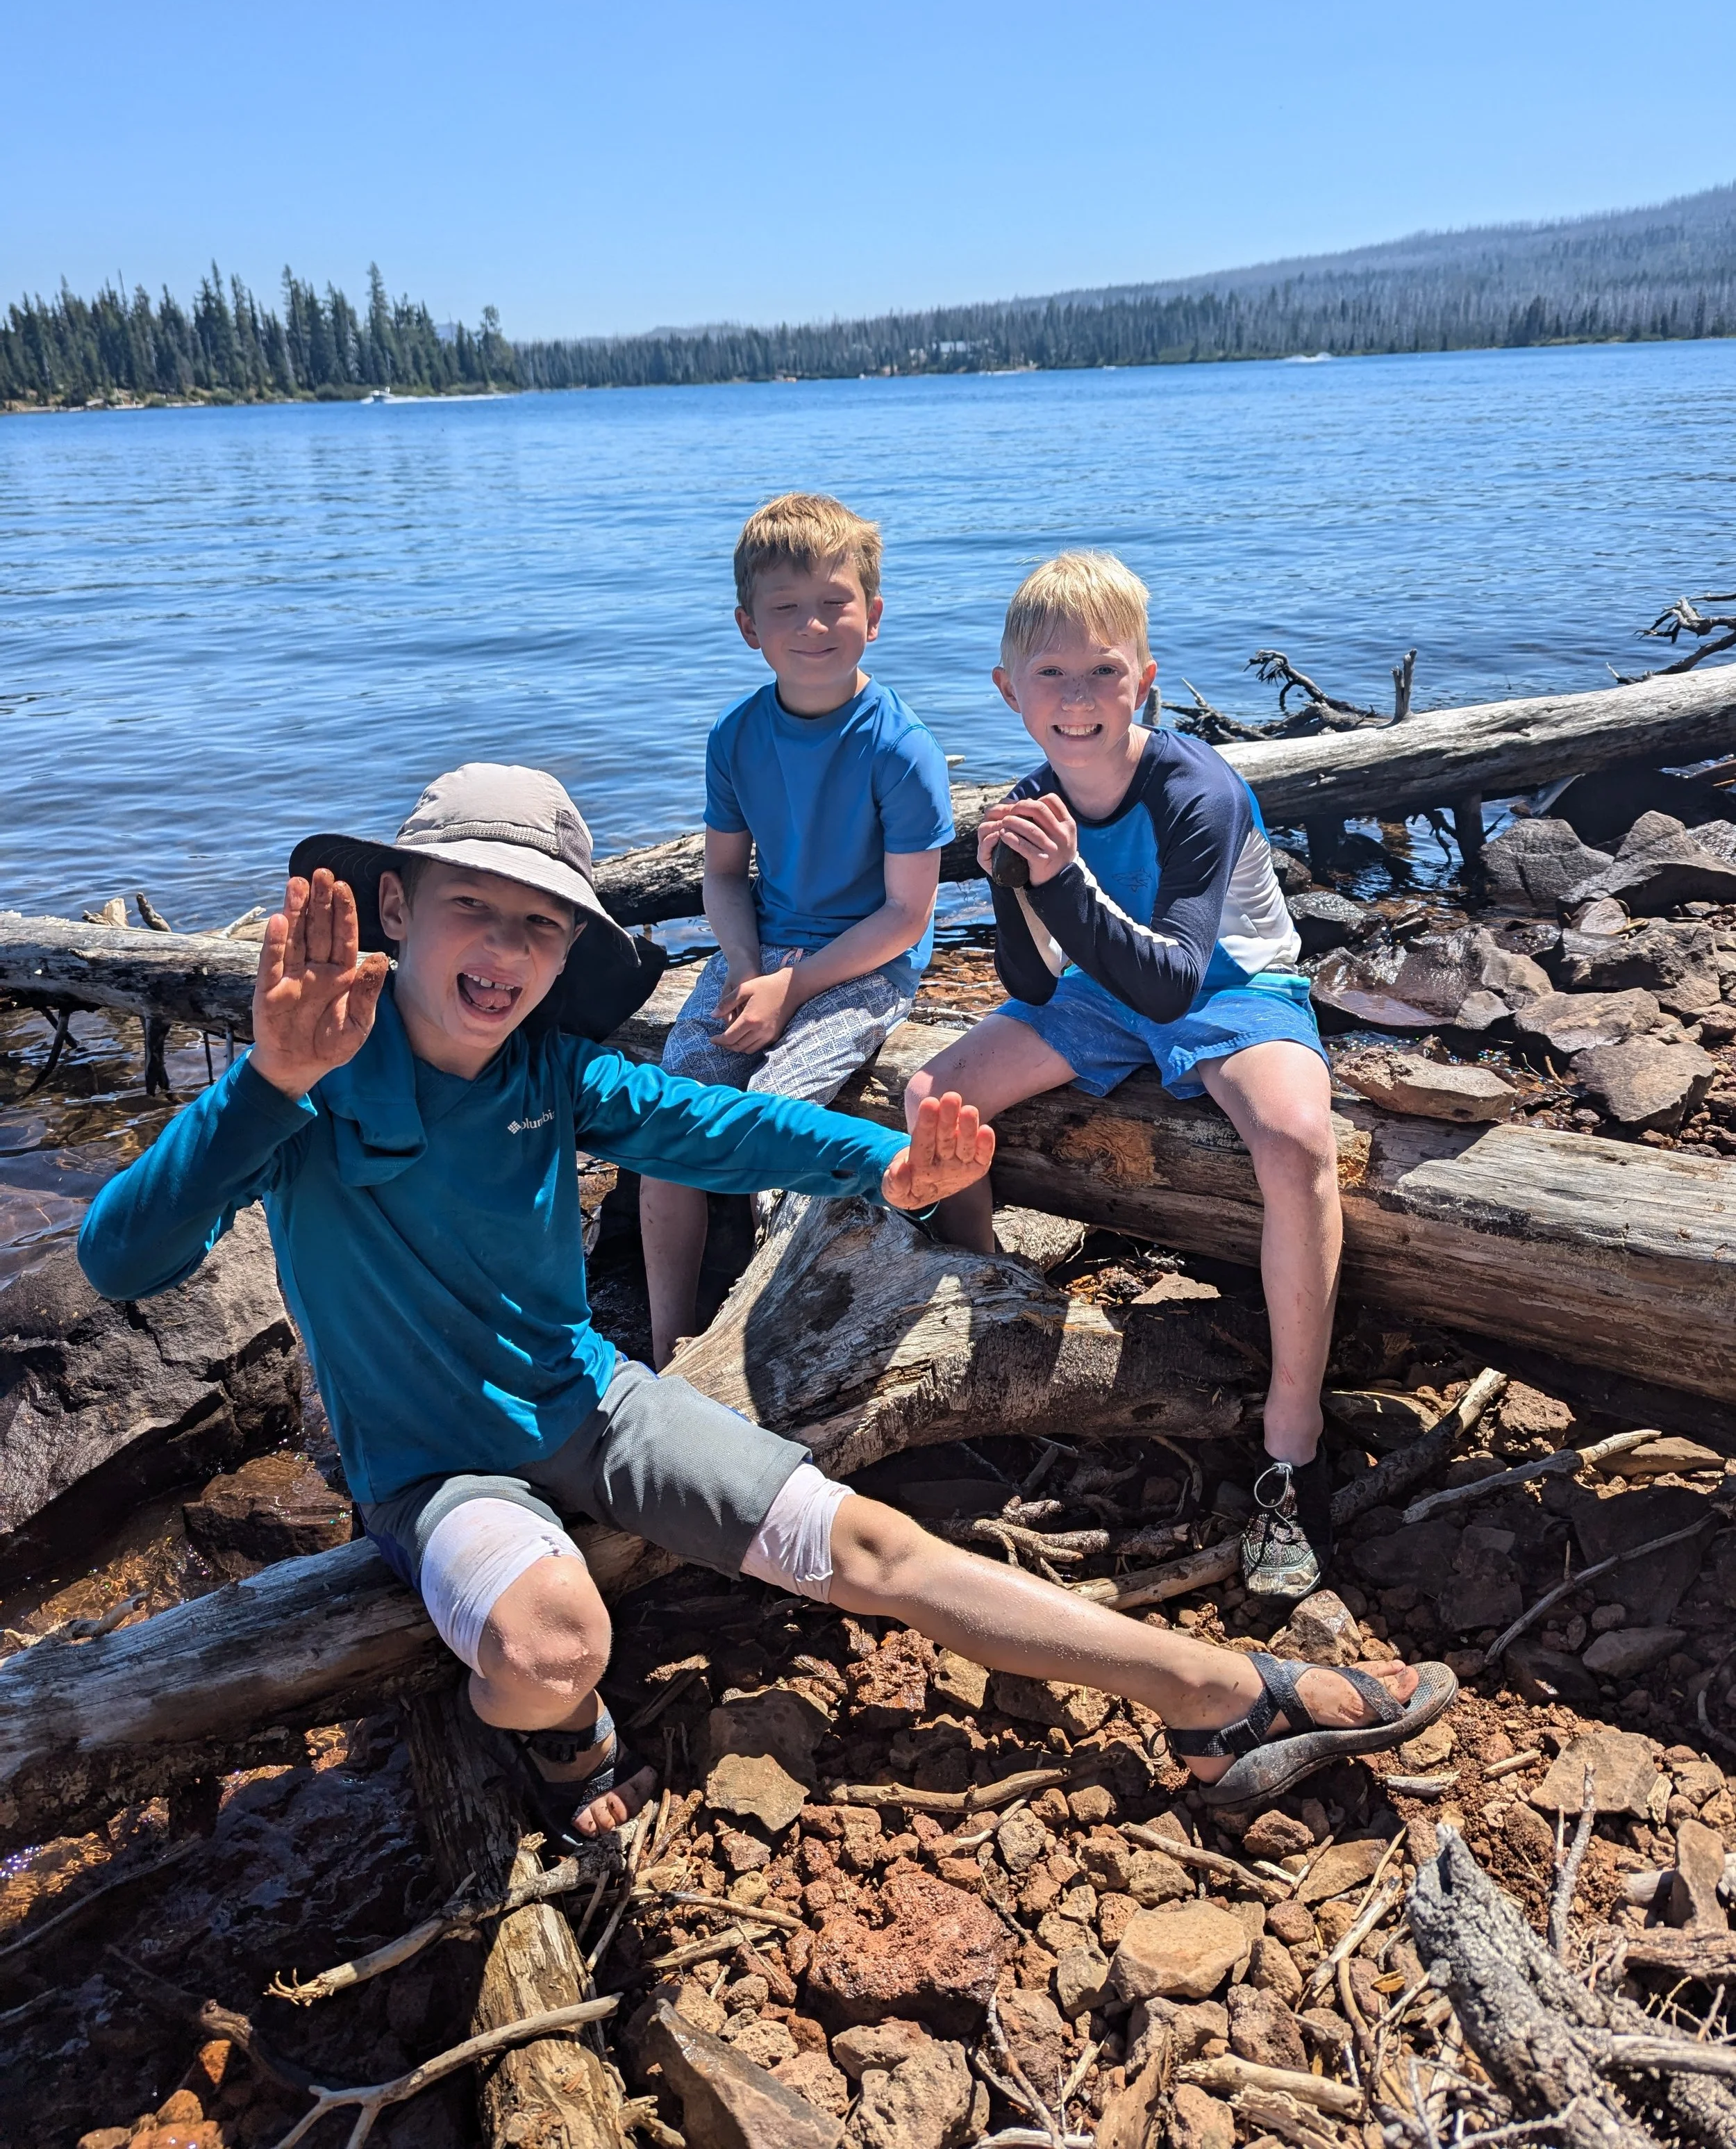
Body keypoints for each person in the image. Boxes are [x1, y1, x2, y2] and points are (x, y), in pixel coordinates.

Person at [78, 763, 1451, 1850]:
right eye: (471, 908)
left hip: (589, 1407)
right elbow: (120, 1259)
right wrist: (262, 1081)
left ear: (564, 958)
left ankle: (1213, 1698)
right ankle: (547, 1736)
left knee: (876, 1549)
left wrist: (891, 1163)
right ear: (395, 910)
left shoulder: (549, 1074)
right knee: (555, 1647)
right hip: (428, 1469)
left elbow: (718, 1130)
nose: (501, 949)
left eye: (538, 925)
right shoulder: (309, 1072)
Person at [905, 552, 1343, 1600]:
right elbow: (1024, 976)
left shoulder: (1198, 788)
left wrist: (1056, 880)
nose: (1077, 699)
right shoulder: (1028, 800)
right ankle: (991, 1306)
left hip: (1232, 982)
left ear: (1143, 679)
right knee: (931, 1098)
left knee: (1292, 1140)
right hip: (1106, 983)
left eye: (1102, 672)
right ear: (1010, 691)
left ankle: (1295, 1435)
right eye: (1049, 676)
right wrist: (1009, 885)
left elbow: (1175, 978)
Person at [640, 492, 954, 1368]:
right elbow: (721, 875)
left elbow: (907, 915)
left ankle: (767, 1336)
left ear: (874, 615)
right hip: (763, 948)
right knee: (670, 1111)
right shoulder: (736, 736)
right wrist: (746, 968)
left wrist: (797, 985)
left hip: (865, 960)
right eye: (786, 607)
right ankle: (671, 1334)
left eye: (834, 602)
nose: (812, 625)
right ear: (749, 626)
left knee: (775, 1116)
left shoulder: (900, 747)